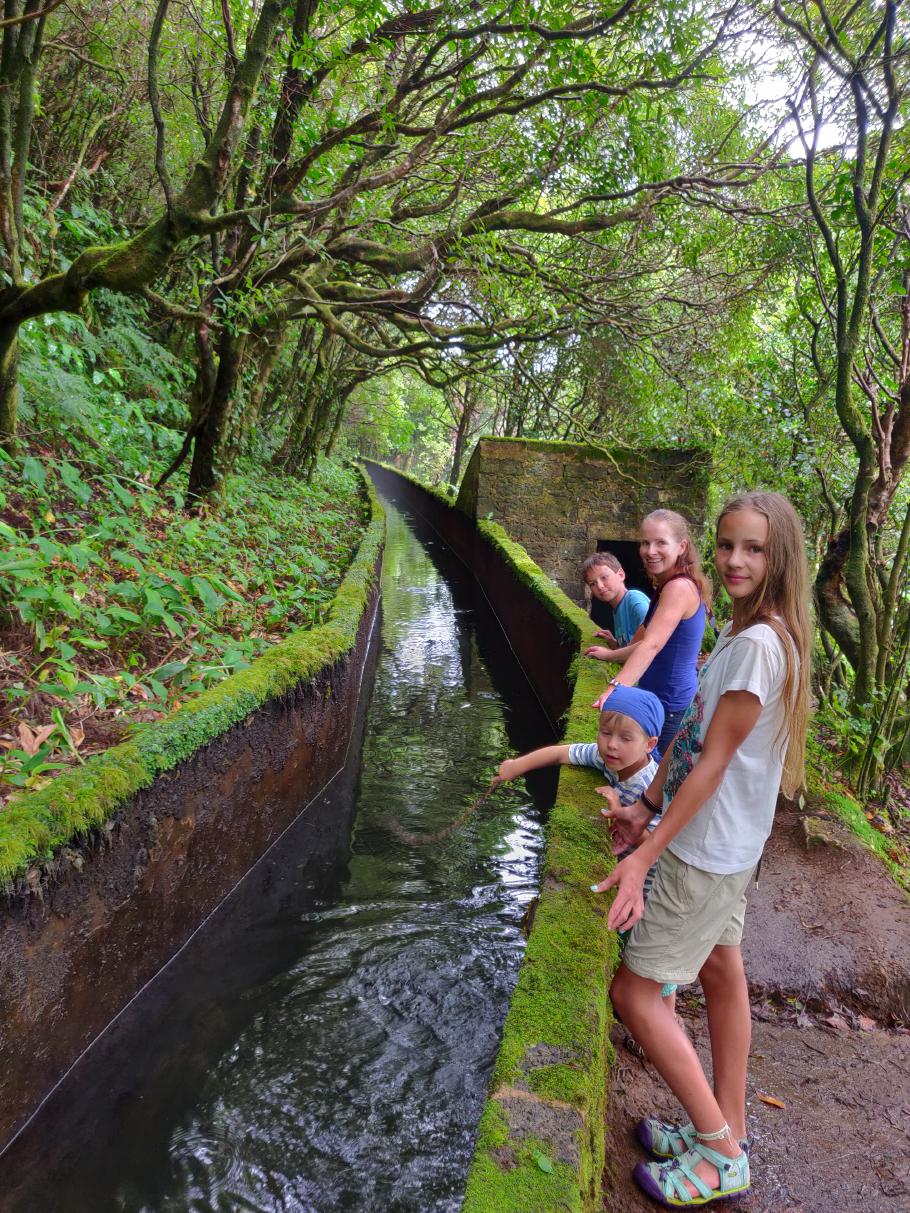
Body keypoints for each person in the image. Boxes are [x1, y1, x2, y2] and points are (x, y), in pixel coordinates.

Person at [592, 491, 812, 1207]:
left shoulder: (756, 646)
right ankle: (729, 1128)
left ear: (780, 556)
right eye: (727, 545)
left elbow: (712, 764)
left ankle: (720, 1153)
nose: (735, 559)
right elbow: (689, 736)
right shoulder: (754, 633)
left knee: (635, 993)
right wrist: (645, 805)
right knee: (720, 972)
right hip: (728, 845)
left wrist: (645, 853)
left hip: (705, 850)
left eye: (754, 548)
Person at [493, 686, 677, 1009]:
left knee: (654, 961)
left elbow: (660, 848)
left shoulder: (651, 787)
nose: (612, 744)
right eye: (605, 733)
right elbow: (560, 753)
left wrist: (621, 814)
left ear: (650, 744)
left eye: (625, 738)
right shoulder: (604, 757)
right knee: (627, 947)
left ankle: (668, 1013)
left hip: (654, 888)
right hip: (625, 878)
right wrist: (516, 767)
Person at [585, 510, 711, 760]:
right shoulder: (665, 587)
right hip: (657, 700)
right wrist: (610, 654)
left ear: (681, 547)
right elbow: (639, 641)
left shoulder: (678, 587)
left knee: (656, 775)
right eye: (645, 542)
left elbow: (651, 644)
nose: (650, 551)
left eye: (661, 542)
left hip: (670, 705)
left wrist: (615, 687)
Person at [582, 551, 650, 647]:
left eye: (604, 577)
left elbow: (651, 632)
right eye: (593, 584)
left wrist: (609, 654)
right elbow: (629, 647)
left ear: (621, 575)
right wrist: (615, 644)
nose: (600, 586)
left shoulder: (634, 598)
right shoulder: (617, 610)